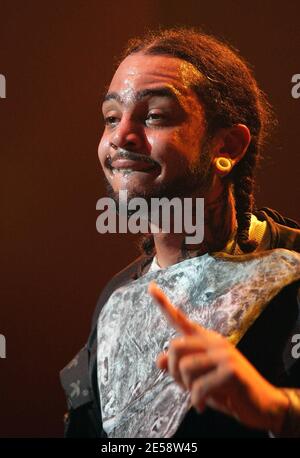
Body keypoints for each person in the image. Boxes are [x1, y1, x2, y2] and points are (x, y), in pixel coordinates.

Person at [60, 27, 300, 438]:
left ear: (227, 148)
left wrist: (278, 409)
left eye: (154, 115)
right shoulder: (117, 298)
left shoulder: (292, 273)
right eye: (111, 118)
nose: (120, 137)